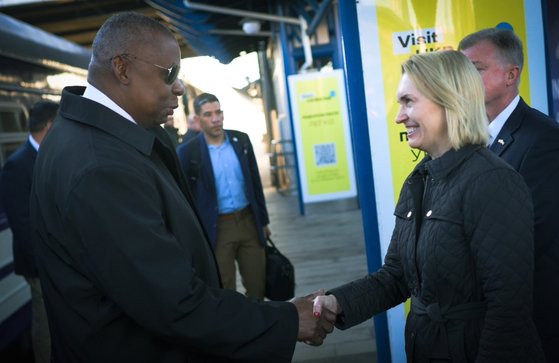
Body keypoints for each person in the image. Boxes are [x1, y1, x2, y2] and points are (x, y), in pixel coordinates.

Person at [30, 12, 334, 362]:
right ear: (121, 68)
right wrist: (286, 320)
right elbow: (173, 304)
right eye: (169, 73)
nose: (178, 87)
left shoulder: (97, 137)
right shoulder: (100, 168)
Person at [312, 50, 545, 362]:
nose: (399, 116)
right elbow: (396, 276)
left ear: (449, 100)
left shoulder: (493, 182)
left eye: (409, 101)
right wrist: (337, 303)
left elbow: (509, 309)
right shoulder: (421, 178)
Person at [459, 28, 559, 362]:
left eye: (476, 69)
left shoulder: (543, 139)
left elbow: (532, 234)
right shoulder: (467, 137)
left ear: (511, 75)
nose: (464, 80)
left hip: (529, 317)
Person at [177, 93, 270, 300]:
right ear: (199, 120)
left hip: (248, 222)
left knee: (257, 285)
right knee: (224, 289)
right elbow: (185, 198)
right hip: (217, 228)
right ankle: (236, 332)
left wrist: (263, 221)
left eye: (218, 112)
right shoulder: (188, 152)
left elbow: (255, 183)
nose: (216, 118)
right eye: (208, 114)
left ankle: (258, 329)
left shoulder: (241, 141)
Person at [0, 100, 58, 363]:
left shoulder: (47, 155)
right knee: (46, 324)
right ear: (50, 125)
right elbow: (22, 224)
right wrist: (45, 264)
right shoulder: (17, 165)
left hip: (56, 259)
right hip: (39, 266)